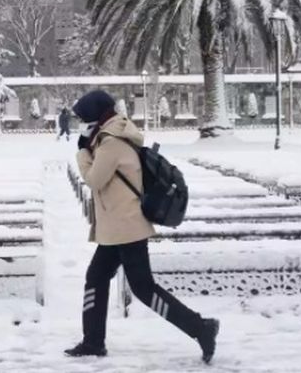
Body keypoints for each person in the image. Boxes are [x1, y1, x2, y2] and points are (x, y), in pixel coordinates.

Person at [64, 89, 219, 364]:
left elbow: (94, 180)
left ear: (97, 117)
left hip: (126, 228)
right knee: (96, 278)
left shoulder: (111, 142)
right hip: (117, 227)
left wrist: (81, 153)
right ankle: (93, 341)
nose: (81, 125)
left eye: (84, 119)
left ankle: (201, 328)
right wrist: (89, 147)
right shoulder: (110, 136)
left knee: (144, 289)